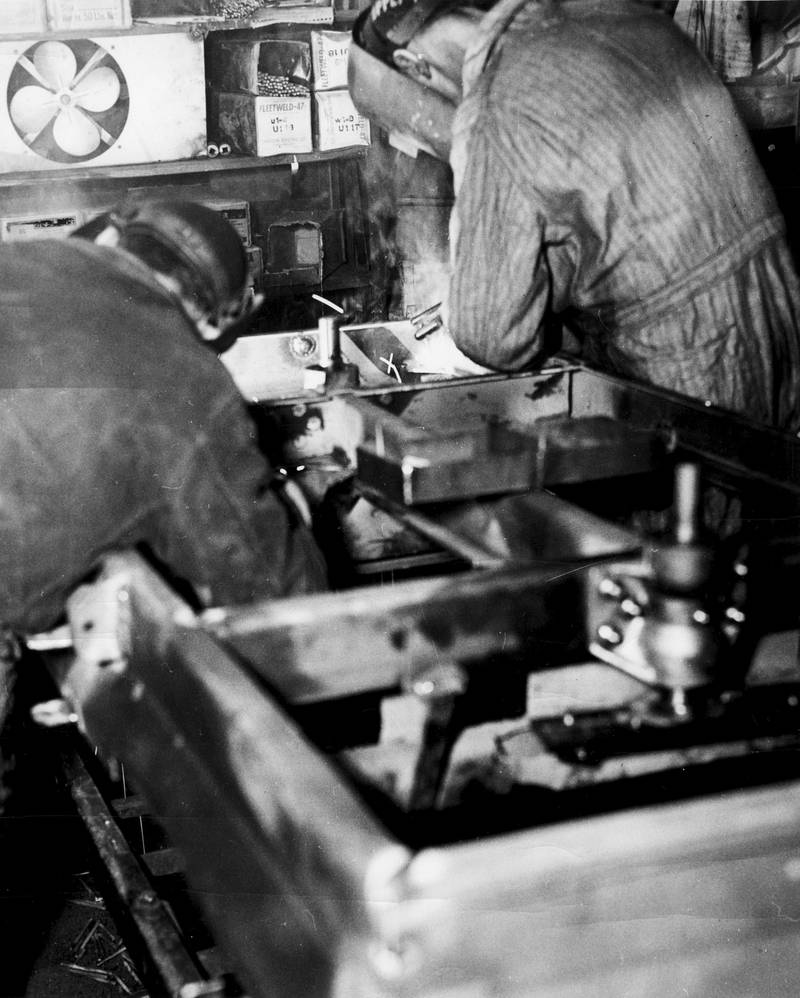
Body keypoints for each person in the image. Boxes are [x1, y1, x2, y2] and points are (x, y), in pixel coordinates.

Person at [349, 0, 800, 431]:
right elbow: (615, 215)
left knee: (694, 505)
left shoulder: (498, 103)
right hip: (785, 315)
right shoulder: (627, 19)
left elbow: (490, 337)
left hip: (690, 365)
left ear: (415, 67)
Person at [0, 200, 327, 638]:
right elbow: (270, 589)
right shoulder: (187, 383)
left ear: (110, 238)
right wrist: (298, 510)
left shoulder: (18, 256)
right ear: (214, 328)